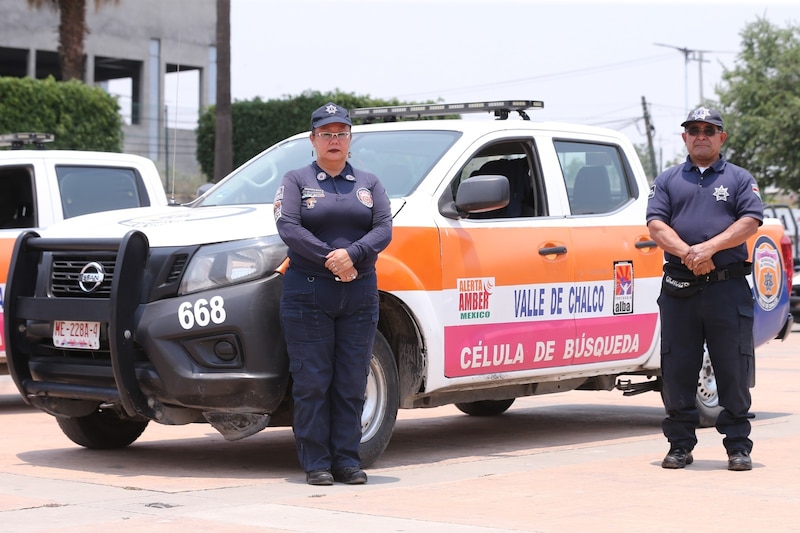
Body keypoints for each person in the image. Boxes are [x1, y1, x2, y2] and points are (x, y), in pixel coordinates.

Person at [273, 102, 393, 485]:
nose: (334, 140)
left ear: (350, 139)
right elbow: (288, 227)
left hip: (359, 295)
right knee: (312, 381)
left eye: (341, 133)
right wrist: (333, 259)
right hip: (308, 294)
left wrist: (353, 255)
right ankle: (317, 463)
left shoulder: (369, 183)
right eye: (326, 133)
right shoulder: (296, 180)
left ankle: (347, 459)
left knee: (352, 381)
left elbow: (384, 229)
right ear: (312, 139)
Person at [646, 107, 763, 471]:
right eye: (693, 129)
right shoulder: (668, 180)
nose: (701, 135)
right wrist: (689, 254)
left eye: (709, 130)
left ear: (721, 138)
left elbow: (750, 221)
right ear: (684, 138)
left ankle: (738, 447)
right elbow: (656, 225)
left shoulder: (740, 179)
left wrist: (709, 248)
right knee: (678, 368)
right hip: (680, 288)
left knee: (732, 367)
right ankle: (680, 445)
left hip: (726, 289)